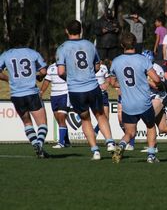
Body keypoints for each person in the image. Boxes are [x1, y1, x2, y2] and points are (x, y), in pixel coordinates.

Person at [57, 20, 116, 160]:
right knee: (100, 115)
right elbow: (97, 66)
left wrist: (71, 78)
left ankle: (95, 151)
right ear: (81, 30)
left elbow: (60, 72)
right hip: (92, 87)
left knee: (85, 119)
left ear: (66, 31)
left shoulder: (62, 48)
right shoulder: (90, 45)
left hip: (76, 90)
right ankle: (110, 142)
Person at [109, 32, 161, 163]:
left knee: (130, 133)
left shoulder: (116, 62)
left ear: (122, 45)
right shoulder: (143, 59)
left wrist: (122, 84)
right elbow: (156, 79)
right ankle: (151, 156)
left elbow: (112, 83)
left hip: (127, 104)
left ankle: (120, 146)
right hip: (143, 102)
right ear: (135, 44)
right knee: (150, 127)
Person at [0, 27, 49, 158]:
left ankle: (37, 148)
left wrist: (8, 78)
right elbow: (44, 70)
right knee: (43, 124)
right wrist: (39, 76)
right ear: (26, 39)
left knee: (27, 123)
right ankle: (39, 143)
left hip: (16, 95)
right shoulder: (33, 53)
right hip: (32, 93)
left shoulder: (6, 54)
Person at [40, 62, 71, 148]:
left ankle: (61, 143)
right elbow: (46, 81)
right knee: (59, 119)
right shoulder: (51, 67)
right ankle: (67, 142)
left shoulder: (69, 65)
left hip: (65, 94)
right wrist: (41, 92)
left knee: (61, 117)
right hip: (54, 96)